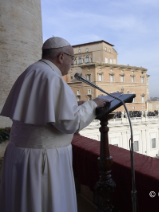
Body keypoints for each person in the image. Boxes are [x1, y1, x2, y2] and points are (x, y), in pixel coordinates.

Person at [0, 37, 107, 212]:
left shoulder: (31, 71)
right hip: (43, 158)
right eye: (72, 58)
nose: (72, 63)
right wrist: (93, 104)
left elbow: (43, 110)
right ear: (61, 56)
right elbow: (70, 124)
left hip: (19, 155)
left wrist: (77, 106)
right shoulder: (53, 79)